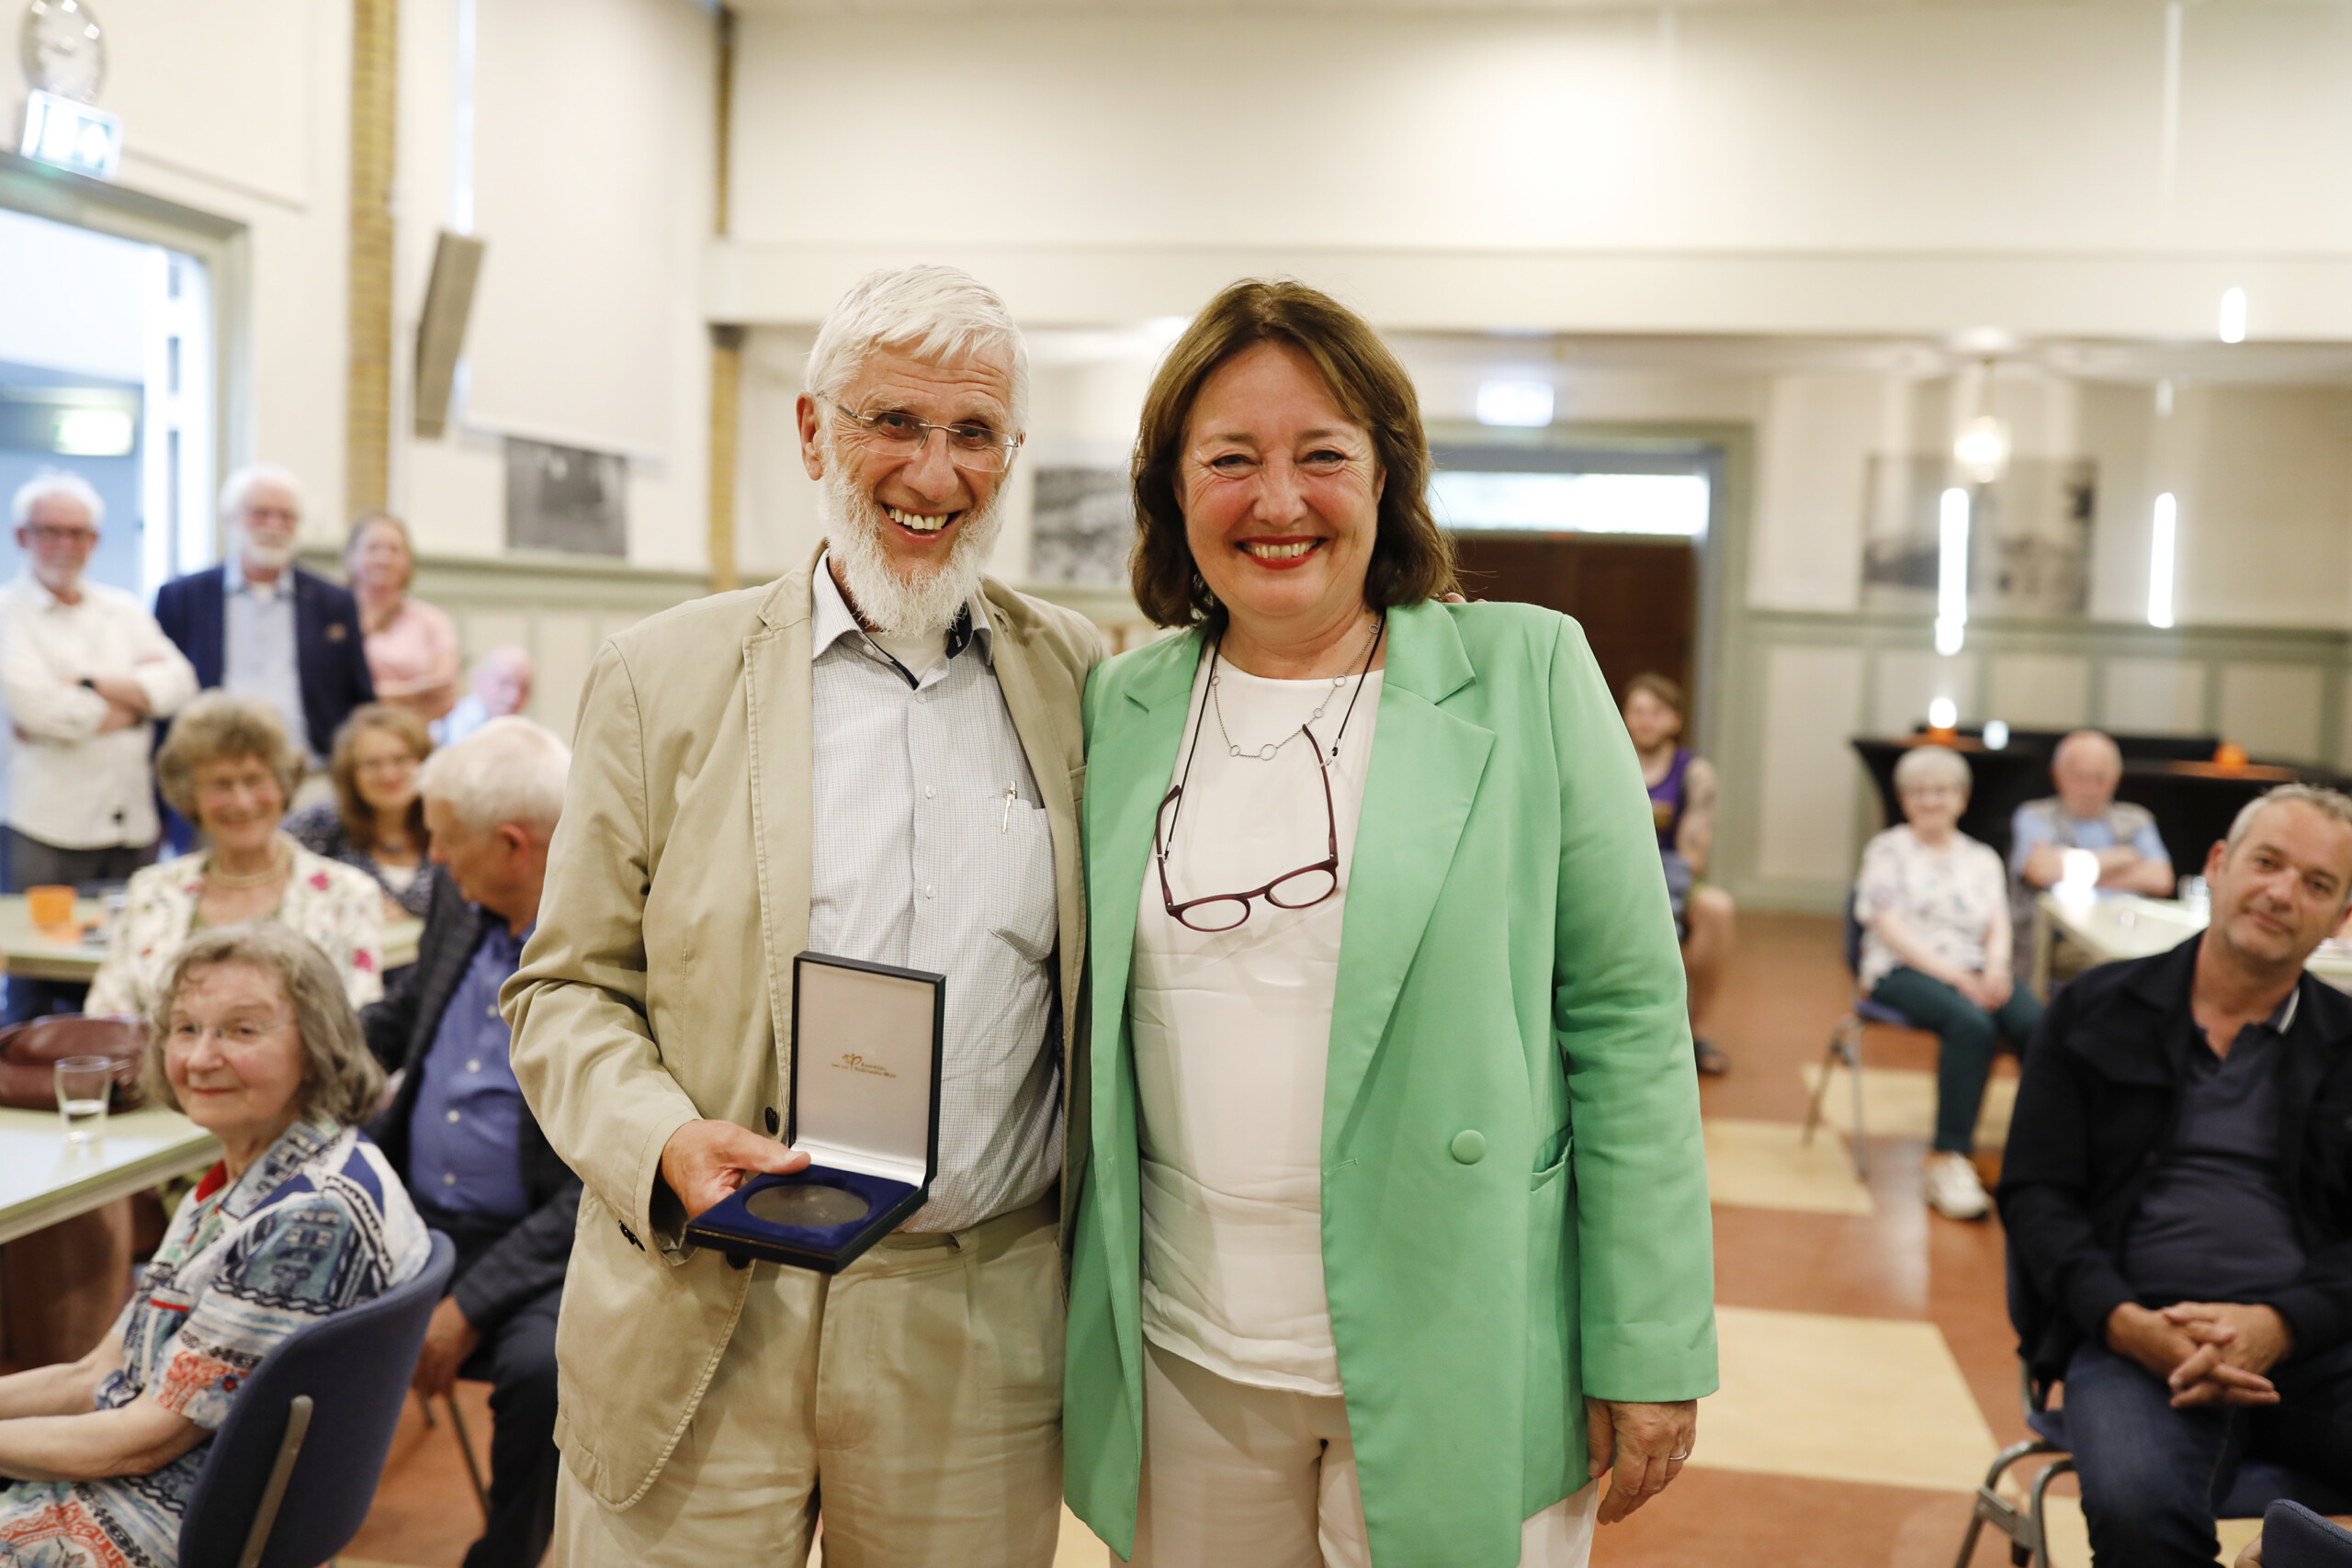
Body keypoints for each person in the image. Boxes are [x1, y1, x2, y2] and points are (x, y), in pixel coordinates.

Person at [1063, 279, 1717, 1568]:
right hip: (1187, 1351)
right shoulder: (1118, 706)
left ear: (1388, 476)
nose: (1280, 500)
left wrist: (1647, 1337)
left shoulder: (1528, 674)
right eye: (1230, 459)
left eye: (1323, 455)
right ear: (1172, 489)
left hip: (1459, 1334)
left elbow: (1630, 1017)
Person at [506, 265, 1102, 1565]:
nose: (934, 475)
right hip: (707, 1293)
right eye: (894, 421)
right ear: (811, 429)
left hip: (972, 1316)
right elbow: (561, 989)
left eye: (973, 434)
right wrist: (659, 1138)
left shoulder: (1082, 676)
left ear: (1011, 452)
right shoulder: (661, 675)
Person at [2000, 784, 2352, 1568]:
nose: (2282, 892)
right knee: (2138, 1510)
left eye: (2318, 883)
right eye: (2267, 862)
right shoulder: (2094, 1008)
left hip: (2319, 1342)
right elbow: (2036, 1194)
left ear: (2340, 919)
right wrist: (2125, 1320)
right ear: (2220, 866)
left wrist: (2280, 1324)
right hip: (2134, 1335)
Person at [0, 922, 429, 1565]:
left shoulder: (310, 1216)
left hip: (174, 1515)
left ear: (314, 1046)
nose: (200, 1058)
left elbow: (140, 1441)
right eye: (186, 1028)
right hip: (155, 1477)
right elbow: (97, 1372)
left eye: (241, 1030)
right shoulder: (246, 1174)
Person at [363, 716, 576, 1568]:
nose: (434, 861)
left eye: (447, 841)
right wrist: (298, 1045)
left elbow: (591, 1188)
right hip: (408, 1213)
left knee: (543, 1373)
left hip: (540, 1245)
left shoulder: (623, 948)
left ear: (514, 845)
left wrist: (467, 1303)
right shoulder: (464, 892)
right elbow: (409, 1010)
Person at [0, 470, 198, 1021]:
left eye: (78, 532)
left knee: (129, 963)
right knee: (34, 979)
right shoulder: (7, 613)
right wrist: (134, 703)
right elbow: (39, 710)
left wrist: (86, 685)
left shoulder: (124, 609)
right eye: (51, 531)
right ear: (23, 537)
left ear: (95, 540)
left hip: (129, 821)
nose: (65, 545)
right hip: (44, 825)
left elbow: (180, 683)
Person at [85, 693, 384, 1021]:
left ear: (283, 785)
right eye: (220, 785)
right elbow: (107, 1017)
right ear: (190, 797)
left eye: (255, 780)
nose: (241, 802)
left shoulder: (348, 893)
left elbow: (355, 1029)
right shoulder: (151, 890)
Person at [1855, 743, 2044, 1221]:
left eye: (1942, 791)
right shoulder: (1887, 850)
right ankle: (1948, 1157)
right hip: (1903, 969)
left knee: (2037, 1024)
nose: (1932, 801)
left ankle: (2040, 1155)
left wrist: (1997, 968)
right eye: (1919, 792)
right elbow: (1888, 926)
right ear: (1903, 800)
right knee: (1971, 1024)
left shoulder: (1981, 857)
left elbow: (1998, 921)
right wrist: (1955, 976)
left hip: (1979, 967)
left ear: (1962, 798)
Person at [153, 464, 376, 776]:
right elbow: (162, 701)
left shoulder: (334, 602)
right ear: (232, 519)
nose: (274, 526)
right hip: (207, 774)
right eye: (261, 514)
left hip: (310, 773)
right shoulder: (181, 598)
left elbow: (360, 698)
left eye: (286, 517)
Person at [1622, 671, 1736, 1077]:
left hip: (1671, 874)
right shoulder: (1607, 760)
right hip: (1612, 870)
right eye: (1637, 710)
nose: (1646, 720)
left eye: (1657, 712)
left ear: (1674, 720)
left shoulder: (1694, 773)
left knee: (1717, 909)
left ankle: (1694, 1028)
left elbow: (1692, 854)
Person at [2010, 728, 2175, 971]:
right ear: (2057, 775)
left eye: (2100, 778)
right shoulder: (2035, 816)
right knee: (2113, 968)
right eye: (2080, 778)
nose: (2090, 789)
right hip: (2062, 941)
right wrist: (2122, 858)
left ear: (2116, 777)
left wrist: (2068, 870)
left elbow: (2161, 879)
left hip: (2132, 933)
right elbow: (2041, 872)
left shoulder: (2136, 819)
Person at [288, 703, 438, 919]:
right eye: (372, 764)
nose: (389, 774)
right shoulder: (320, 824)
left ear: (424, 761)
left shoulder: (448, 826)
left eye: (401, 759)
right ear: (350, 773)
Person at [347, 511, 461, 723]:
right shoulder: (331, 616)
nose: (384, 559)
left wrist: (369, 695)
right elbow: (331, 691)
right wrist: (415, 691)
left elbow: (443, 693)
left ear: (408, 560)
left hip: (415, 736)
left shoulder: (432, 621)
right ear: (351, 555)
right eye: (373, 548)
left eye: (394, 550)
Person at [435, 646, 533, 747]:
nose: (514, 696)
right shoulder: (447, 724)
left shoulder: (528, 734)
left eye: (524, 687)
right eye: (504, 683)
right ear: (479, 680)